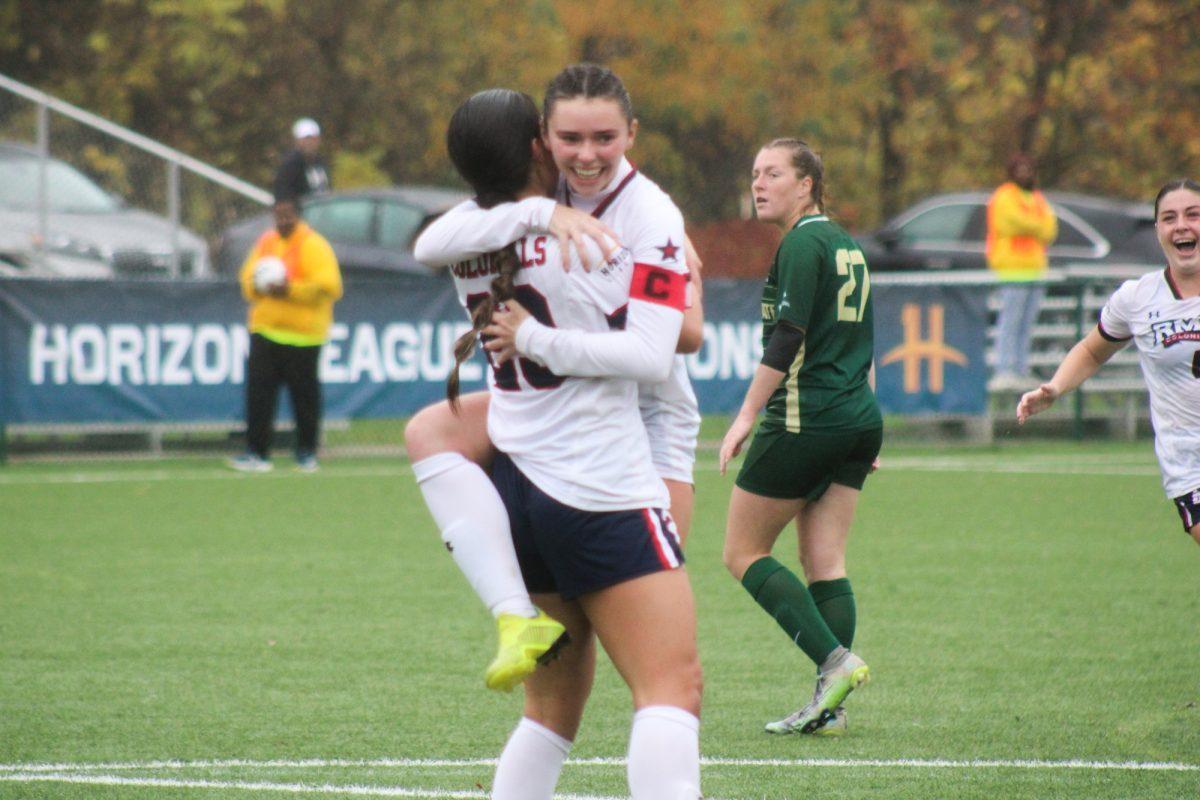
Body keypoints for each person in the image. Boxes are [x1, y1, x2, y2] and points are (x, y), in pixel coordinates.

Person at [419, 77, 702, 800]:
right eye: (569, 140)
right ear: (540, 143)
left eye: (603, 138)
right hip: (598, 482)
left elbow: (432, 241)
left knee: (551, 710)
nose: (585, 153)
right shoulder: (610, 229)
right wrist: (542, 331)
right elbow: (659, 348)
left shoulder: (490, 229)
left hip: (521, 485)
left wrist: (542, 216)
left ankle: (509, 613)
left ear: (632, 132)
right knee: (673, 686)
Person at [718, 139, 880, 737]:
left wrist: (743, 418)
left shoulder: (803, 241)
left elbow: (786, 339)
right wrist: (868, 419)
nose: (759, 183)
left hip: (807, 416)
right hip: (856, 417)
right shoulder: (847, 245)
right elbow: (861, 338)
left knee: (742, 553)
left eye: (774, 174)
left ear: (807, 183)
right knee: (825, 560)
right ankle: (829, 704)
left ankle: (836, 663)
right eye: (755, 173)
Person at [1018, 178, 1200, 548]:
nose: (1181, 225)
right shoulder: (1137, 298)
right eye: (1169, 218)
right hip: (1189, 461)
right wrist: (1055, 387)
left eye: (1192, 215)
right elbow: (1091, 350)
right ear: (1158, 231)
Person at [229, 197, 342, 473]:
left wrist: (289, 289)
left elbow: (330, 286)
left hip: (303, 336)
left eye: (288, 216)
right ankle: (257, 453)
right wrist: (261, 286)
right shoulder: (266, 243)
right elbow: (246, 280)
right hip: (265, 331)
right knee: (259, 395)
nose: (283, 221)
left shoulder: (314, 245)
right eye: (278, 216)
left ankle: (306, 452)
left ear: (299, 217)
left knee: (304, 397)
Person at [987, 152, 1058, 389]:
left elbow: (1050, 229)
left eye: (1029, 169)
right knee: (1010, 321)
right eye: (1021, 169)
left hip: (1035, 269)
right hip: (1012, 269)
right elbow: (1010, 222)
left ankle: (1020, 369)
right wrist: (1035, 226)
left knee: (1026, 324)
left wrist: (1032, 226)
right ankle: (1004, 369)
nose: (1026, 174)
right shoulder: (1005, 196)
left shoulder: (1037, 198)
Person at [273, 117, 331, 203]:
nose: (310, 142)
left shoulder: (320, 161)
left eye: (313, 138)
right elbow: (283, 195)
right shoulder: (290, 164)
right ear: (297, 141)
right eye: (306, 139)